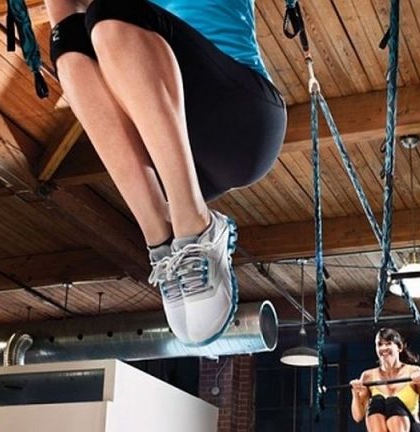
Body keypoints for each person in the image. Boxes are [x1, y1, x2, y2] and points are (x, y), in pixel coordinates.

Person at [44, 0, 287, 346]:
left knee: (109, 13)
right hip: (164, 151)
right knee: (68, 42)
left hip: (242, 124)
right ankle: (161, 241)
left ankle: (195, 226)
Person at [350, 328, 420, 432]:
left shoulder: (413, 371)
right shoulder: (368, 376)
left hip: (410, 429)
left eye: (388, 343)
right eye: (380, 344)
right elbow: (358, 417)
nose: (383, 348)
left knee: (393, 403)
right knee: (377, 401)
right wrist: (355, 394)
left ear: (399, 348)